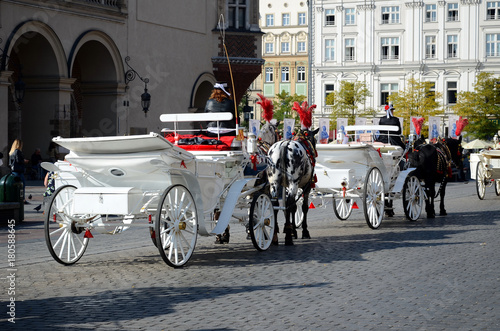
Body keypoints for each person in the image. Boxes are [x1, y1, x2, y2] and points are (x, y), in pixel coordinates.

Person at [8, 139, 29, 204]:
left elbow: (10, 163)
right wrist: (24, 161)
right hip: (19, 171)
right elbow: (18, 161)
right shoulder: (17, 151)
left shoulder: (12, 152)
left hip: (14, 171)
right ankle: (22, 199)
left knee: (16, 186)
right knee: (22, 185)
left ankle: (17, 199)